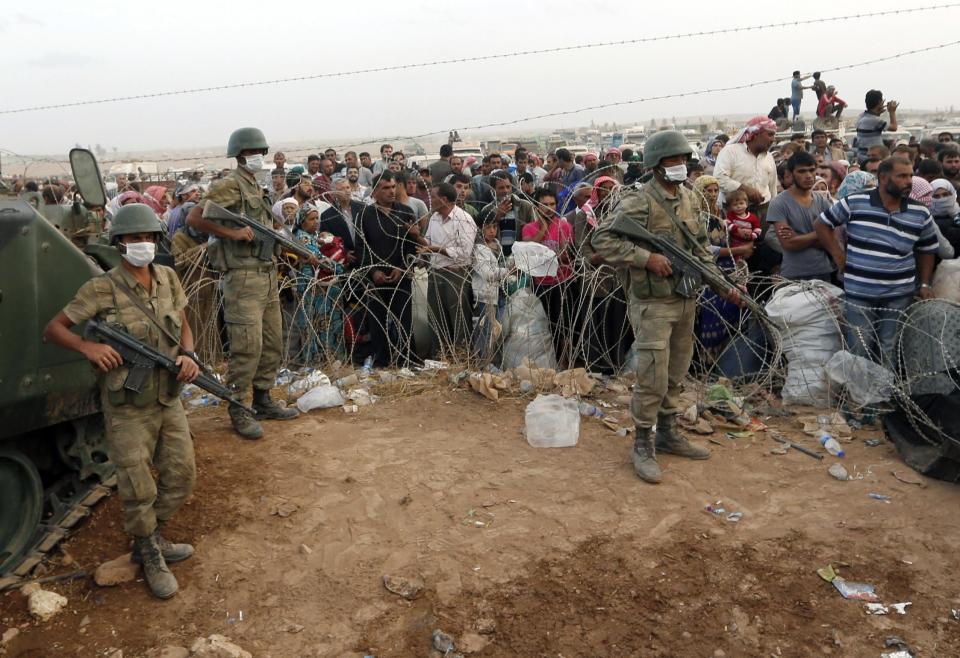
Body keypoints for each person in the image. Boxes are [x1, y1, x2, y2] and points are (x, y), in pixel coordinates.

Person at [43, 204, 199, 599]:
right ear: (119, 243)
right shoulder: (102, 287)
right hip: (127, 405)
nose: (141, 244)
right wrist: (87, 346)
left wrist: (188, 355)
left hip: (168, 395)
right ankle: (147, 550)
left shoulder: (167, 277)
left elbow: (182, 321)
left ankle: (152, 535)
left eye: (147, 237)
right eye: (133, 239)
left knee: (182, 474)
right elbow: (55, 329)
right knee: (137, 485)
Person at [591, 131, 742, 484]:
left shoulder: (690, 199)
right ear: (656, 166)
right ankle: (643, 441)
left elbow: (702, 245)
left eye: (682, 160)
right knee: (652, 374)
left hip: (685, 299)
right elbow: (602, 239)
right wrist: (646, 258)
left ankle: (669, 432)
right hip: (653, 302)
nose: (680, 166)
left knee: (676, 370)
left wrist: (719, 280)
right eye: (672, 160)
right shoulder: (639, 202)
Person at [186, 127, 306, 439]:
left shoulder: (256, 185)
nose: (259, 158)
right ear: (241, 155)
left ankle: (263, 399)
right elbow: (195, 219)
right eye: (255, 152)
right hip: (241, 278)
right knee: (247, 347)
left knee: (271, 342)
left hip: (265, 275)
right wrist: (233, 234)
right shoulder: (229, 185)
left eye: (261, 152)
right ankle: (238, 407)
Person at [814, 157, 938, 366]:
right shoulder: (856, 202)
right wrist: (838, 255)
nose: (908, 181)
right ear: (883, 177)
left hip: (898, 294)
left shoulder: (920, 212)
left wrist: (924, 283)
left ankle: (884, 393)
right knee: (859, 346)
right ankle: (861, 396)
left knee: (888, 346)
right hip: (860, 291)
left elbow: (927, 249)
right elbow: (821, 224)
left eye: (910, 176)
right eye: (902, 176)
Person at [355, 172, 419, 367]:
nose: (392, 191)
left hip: (401, 277)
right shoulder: (365, 215)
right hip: (376, 279)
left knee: (404, 322)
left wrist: (402, 269)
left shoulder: (405, 212)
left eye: (393, 187)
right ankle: (382, 362)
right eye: (386, 188)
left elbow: (412, 247)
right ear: (375, 192)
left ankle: (408, 361)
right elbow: (361, 248)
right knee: (378, 324)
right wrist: (373, 272)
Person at [418, 182, 477, 355]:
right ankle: (440, 356)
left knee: (458, 318)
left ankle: (462, 356)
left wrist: (437, 249)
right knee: (436, 319)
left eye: (434, 197)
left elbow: (464, 253)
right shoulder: (434, 218)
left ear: (444, 199)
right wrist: (418, 239)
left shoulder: (463, 219)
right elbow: (427, 242)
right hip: (436, 273)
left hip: (456, 274)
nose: (431, 201)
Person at [522, 187, 575, 365]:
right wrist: (543, 229)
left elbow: (565, 255)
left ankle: (564, 364)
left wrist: (547, 257)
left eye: (552, 204)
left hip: (562, 282)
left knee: (563, 326)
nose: (549, 208)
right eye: (544, 204)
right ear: (537, 206)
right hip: (540, 284)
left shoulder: (564, 225)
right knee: (546, 326)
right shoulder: (529, 228)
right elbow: (528, 250)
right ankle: (548, 364)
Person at [769, 152, 835, 282]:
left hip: (823, 271)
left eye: (811, 170)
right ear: (790, 173)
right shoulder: (779, 203)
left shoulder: (822, 201)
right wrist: (820, 233)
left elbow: (832, 239)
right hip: (794, 274)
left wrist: (800, 237)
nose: (809, 176)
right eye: (802, 171)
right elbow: (789, 244)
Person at [292, 205, 345, 362]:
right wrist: (339, 264)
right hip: (312, 288)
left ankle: (329, 359)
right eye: (311, 219)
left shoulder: (315, 236)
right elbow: (321, 260)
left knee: (325, 324)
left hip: (323, 287)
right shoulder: (302, 237)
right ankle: (317, 360)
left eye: (317, 219)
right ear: (302, 221)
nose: (316, 222)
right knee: (314, 324)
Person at [714, 116, 779, 220]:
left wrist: (775, 210)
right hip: (735, 212)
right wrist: (744, 189)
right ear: (756, 134)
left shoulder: (769, 156)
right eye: (770, 134)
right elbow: (719, 179)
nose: (773, 139)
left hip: (764, 210)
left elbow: (773, 186)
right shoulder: (730, 151)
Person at [480, 171, 536, 257]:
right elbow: (483, 237)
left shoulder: (525, 207)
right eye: (501, 188)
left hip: (520, 258)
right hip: (496, 257)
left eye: (508, 187)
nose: (505, 191)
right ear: (492, 190)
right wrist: (496, 215)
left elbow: (533, 231)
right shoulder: (487, 210)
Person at [320, 179, 364, 269]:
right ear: (334, 193)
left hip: (365, 256)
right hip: (343, 263)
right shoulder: (327, 215)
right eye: (342, 189)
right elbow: (328, 240)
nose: (346, 191)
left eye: (348, 187)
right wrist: (344, 253)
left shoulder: (362, 207)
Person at [855, 90, 898, 165]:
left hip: (861, 156)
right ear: (879, 102)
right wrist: (892, 111)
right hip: (873, 159)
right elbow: (894, 127)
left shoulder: (861, 116)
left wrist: (878, 111)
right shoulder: (875, 120)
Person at [724, 189, 760, 265]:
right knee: (737, 261)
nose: (739, 206)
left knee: (751, 258)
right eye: (735, 205)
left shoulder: (752, 217)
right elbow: (727, 224)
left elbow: (757, 229)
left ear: (746, 204)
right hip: (734, 243)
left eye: (741, 203)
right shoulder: (731, 215)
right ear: (730, 207)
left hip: (748, 242)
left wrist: (752, 236)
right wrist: (737, 229)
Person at [930, 178, 960, 254]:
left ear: (953, 194)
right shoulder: (928, 219)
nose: (942, 199)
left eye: (945, 194)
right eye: (936, 196)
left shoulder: (958, 214)